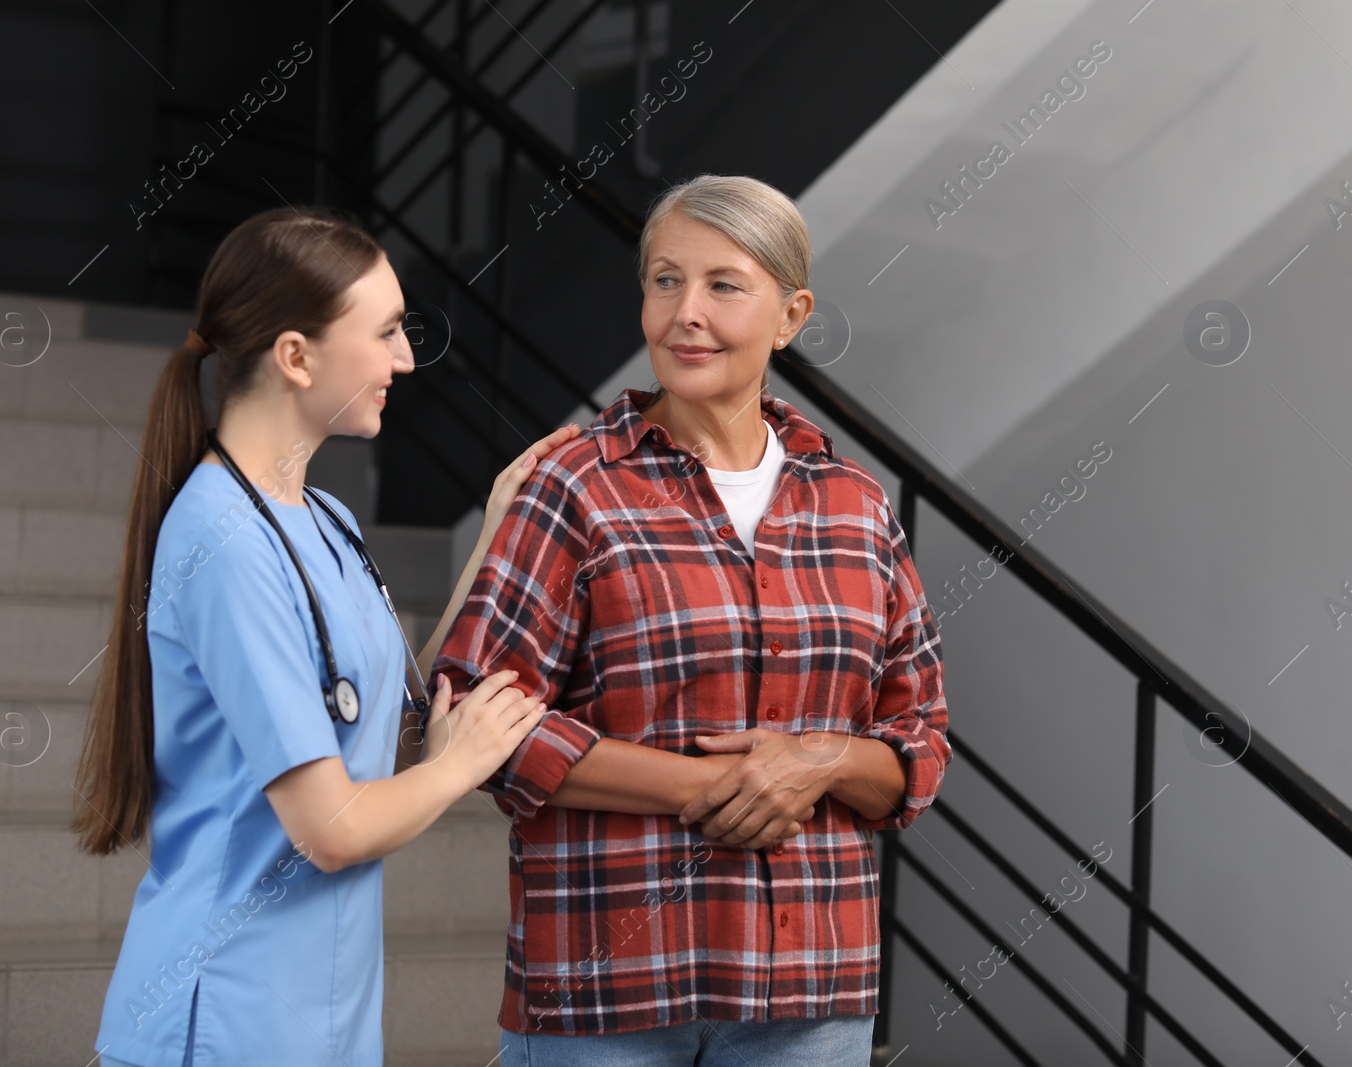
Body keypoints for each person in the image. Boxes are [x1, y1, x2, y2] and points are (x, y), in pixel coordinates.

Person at [433, 174, 952, 1066]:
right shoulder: (576, 488)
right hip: (608, 990)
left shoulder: (857, 506)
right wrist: (709, 788)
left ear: (791, 315)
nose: (686, 313)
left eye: (724, 284)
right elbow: (480, 725)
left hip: (810, 995)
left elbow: (919, 743)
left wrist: (815, 759)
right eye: (665, 280)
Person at [74, 206, 577, 1067]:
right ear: (296, 356)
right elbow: (332, 827)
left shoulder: (327, 520)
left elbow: (385, 723)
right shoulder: (223, 540)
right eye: (384, 332)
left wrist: (496, 534)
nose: (406, 358)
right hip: (223, 1015)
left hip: (324, 1017)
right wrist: (461, 766)